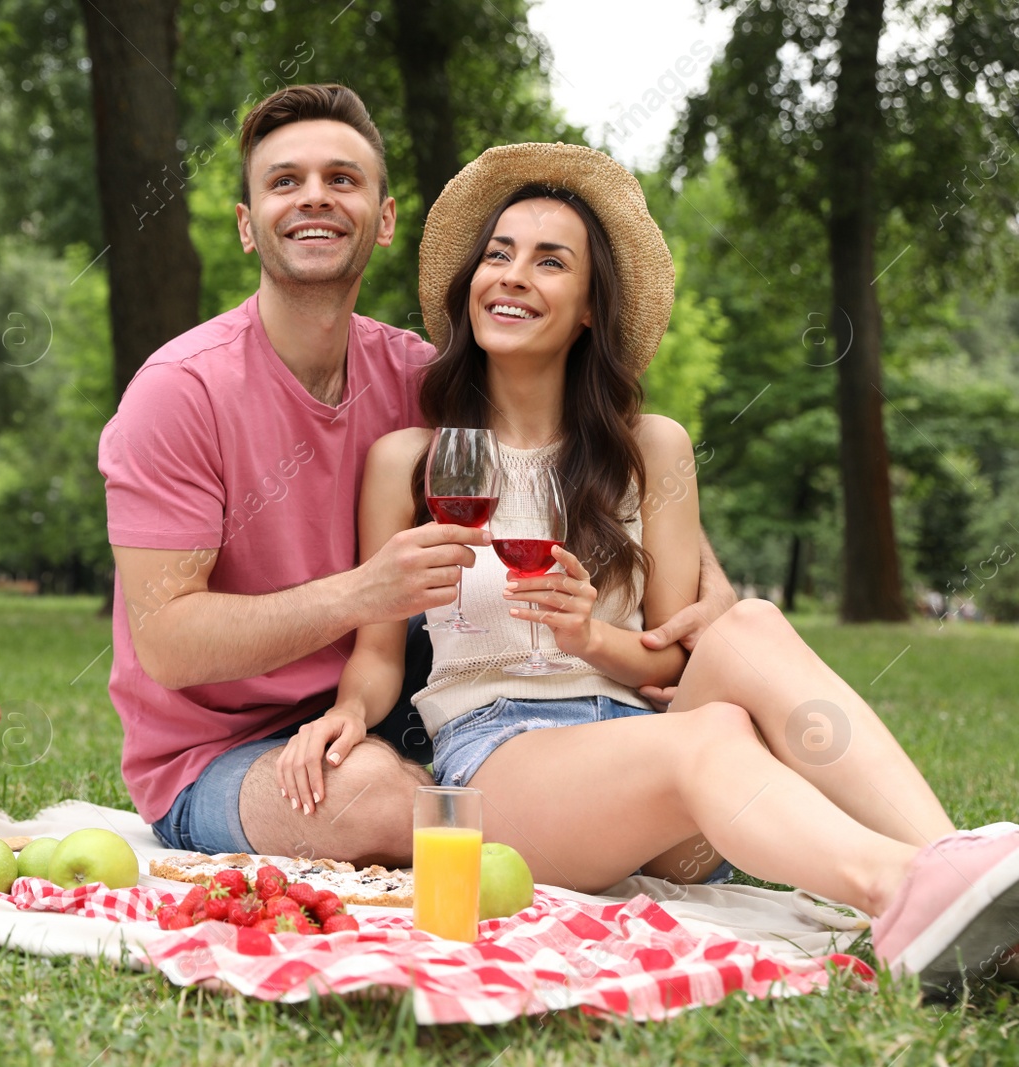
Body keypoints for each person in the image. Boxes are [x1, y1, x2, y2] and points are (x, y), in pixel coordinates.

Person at [276, 140, 1019, 991]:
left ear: (590, 307)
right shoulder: (409, 461)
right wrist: (343, 713)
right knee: (708, 734)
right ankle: (903, 894)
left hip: (653, 764)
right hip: (509, 764)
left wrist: (589, 635)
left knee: (750, 624)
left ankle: (966, 880)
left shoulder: (651, 450)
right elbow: (377, 658)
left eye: (549, 261)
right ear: (471, 286)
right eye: (498, 255)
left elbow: (673, 655)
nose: (513, 276)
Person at [98, 85, 734, 868]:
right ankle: (545, 804)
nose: (314, 199)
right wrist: (365, 592)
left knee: (421, 794)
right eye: (284, 180)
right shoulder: (179, 392)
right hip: (219, 752)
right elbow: (165, 643)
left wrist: (714, 591)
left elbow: (590, 454)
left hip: (382, 713)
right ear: (246, 222)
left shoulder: (418, 379)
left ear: (385, 217)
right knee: (386, 805)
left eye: (342, 178)